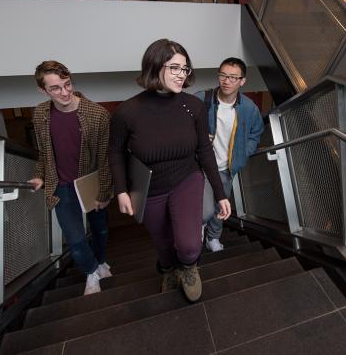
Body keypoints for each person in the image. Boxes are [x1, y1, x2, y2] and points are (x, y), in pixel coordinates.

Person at [110, 39, 229, 302]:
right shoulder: (127, 112)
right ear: (154, 66)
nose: (181, 75)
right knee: (163, 246)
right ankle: (168, 270)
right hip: (149, 188)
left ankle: (188, 268)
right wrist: (121, 191)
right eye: (174, 67)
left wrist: (220, 193)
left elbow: (205, 151)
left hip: (187, 178)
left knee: (188, 246)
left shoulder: (193, 106)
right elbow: (116, 153)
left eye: (185, 69)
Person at [28, 60, 113, 295]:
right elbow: (43, 154)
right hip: (61, 187)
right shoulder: (40, 114)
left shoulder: (98, 115)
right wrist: (39, 175)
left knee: (100, 230)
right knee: (76, 242)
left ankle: (101, 260)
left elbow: (105, 159)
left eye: (67, 84)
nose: (65, 92)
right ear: (42, 90)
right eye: (56, 88)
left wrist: (105, 192)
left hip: (91, 184)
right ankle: (91, 270)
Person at [195, 57, 264, 251]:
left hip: (227, 167)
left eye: (233, 77)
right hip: (202, 166)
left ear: (242, 81)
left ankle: (213, 238)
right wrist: (198, 136)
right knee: (205, 208)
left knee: (221, 206)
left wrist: (245, 152)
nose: (227, 81)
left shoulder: (249, 108)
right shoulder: (202, 99)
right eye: (223, 75)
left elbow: (256, 133)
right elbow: (182, 126)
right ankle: (198, 228)